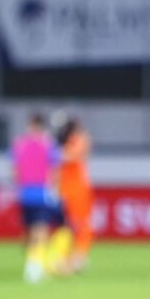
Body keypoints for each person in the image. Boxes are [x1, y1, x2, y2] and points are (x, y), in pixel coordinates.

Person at [12, 113, 58, 284]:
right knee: (41, 230)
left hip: (24, 193)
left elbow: (15, 170)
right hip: (41, 192)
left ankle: (32, 265)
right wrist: (53, 189)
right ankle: (35, 266)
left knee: (29, 231)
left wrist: (18, 187)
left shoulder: (19, 144)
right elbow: (54, 170)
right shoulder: (48, 145)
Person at [58, 117, 93, 273]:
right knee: (68, 226)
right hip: (66, 190)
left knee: (80, 224)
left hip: (78, 191)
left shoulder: (77, 141)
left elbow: (73, 155)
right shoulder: (67, 144)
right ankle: (69, 257)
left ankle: (79, 257)